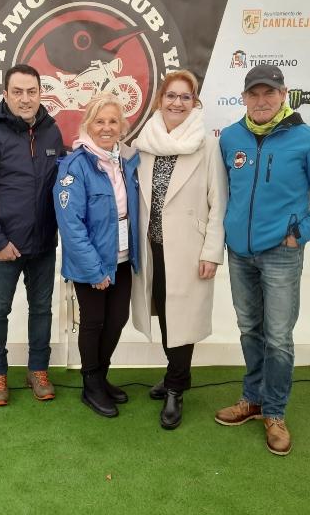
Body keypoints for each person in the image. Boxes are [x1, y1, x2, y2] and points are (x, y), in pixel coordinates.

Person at [215, 64, 310, 455]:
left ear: (284, 95)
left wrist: (300, 233)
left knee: (279, 337)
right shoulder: (231, 138)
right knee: (249, 329)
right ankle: (252, 399)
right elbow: (223, 192)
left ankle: (274, 411)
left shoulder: (307, 140)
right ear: (243, 98)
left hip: (281, 256)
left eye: (268, 93)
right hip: (240, 254)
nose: (261, 101)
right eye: (253, 94)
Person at [130, 70, 227, 430]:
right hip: (152, 247)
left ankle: (175, 388)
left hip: (189, 249)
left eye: (185, 97)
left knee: (181, 320)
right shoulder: (145, 142)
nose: (177, 102)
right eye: (171, 95)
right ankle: (174, 375)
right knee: (166, 315)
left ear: (195, 102)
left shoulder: (207, 145)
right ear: (160, 100)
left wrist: (211, 252)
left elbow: (219, 202)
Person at [0, 64, 64, 406]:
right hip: (4, 246)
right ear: (5, 95)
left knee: (42, 310)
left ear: (40, 94)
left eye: (31, 92)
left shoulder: (53, 133)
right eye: (18, 92)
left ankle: (38, 370)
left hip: (44, 245)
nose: (25, 99)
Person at [54, 93, 140, 418]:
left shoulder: (125, 160)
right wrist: (94, 270)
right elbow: (70, 224)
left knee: (117, 320)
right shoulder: (75, 166)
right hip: (92, 264)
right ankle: (90, 385)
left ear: (122, 126)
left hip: (122, 260)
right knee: (94, 322)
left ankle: (101, 378)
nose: (106, 127)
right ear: (88, 124)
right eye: (100, 121)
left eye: (113, 121)